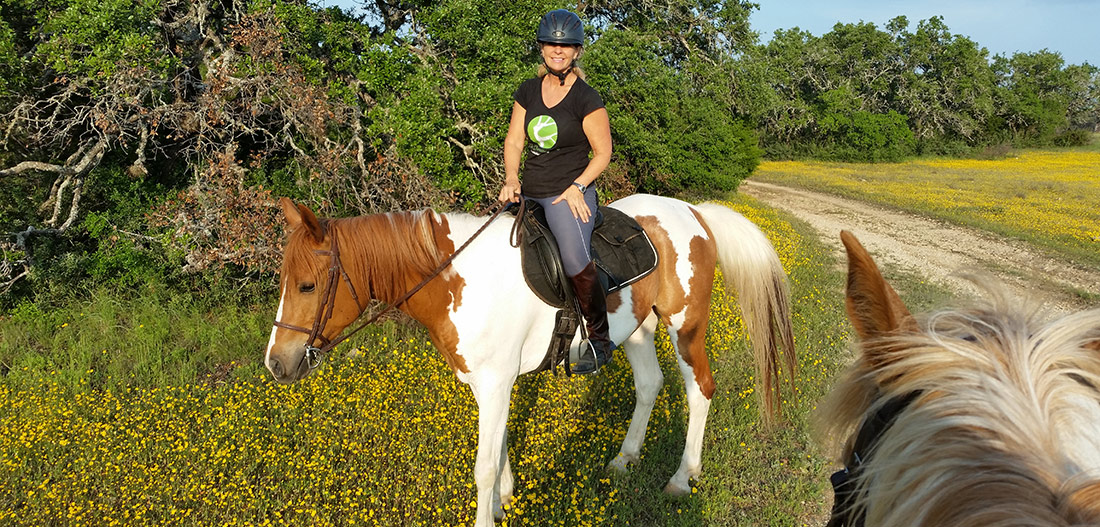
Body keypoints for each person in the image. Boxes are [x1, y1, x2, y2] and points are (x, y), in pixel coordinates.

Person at [498, 9, 614, 375]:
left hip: (567, 194)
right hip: (528, 190)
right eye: (551, 44)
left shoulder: (586, 97)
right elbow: (515, 139)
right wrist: (511, 178)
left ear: (577, 51)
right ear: (542, 48)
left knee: (574, 258)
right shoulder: (528, 90)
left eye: (565, 46)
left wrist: (578, 186)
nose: (557, 51)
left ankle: (598, 338)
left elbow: (603, 153)